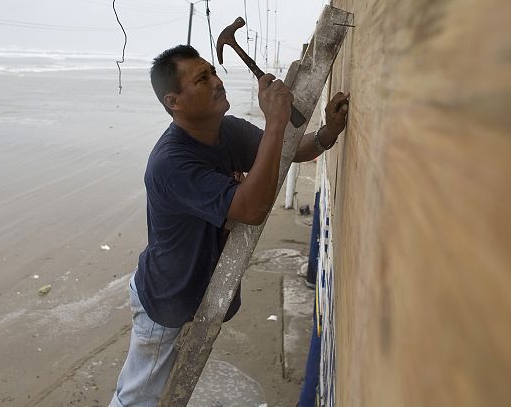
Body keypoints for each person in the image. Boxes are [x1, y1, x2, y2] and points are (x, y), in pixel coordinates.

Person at [108, 45, 349, 406]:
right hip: (167, 296)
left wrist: (328, 132)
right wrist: (276, 121)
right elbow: (251, 209)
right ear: (174, 101)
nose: (217, 82)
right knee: (138, 397)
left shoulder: (227, 131)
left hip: (193, 288)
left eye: (213, 72)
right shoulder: (171, 163)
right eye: (202, 79)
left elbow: (286, 153)